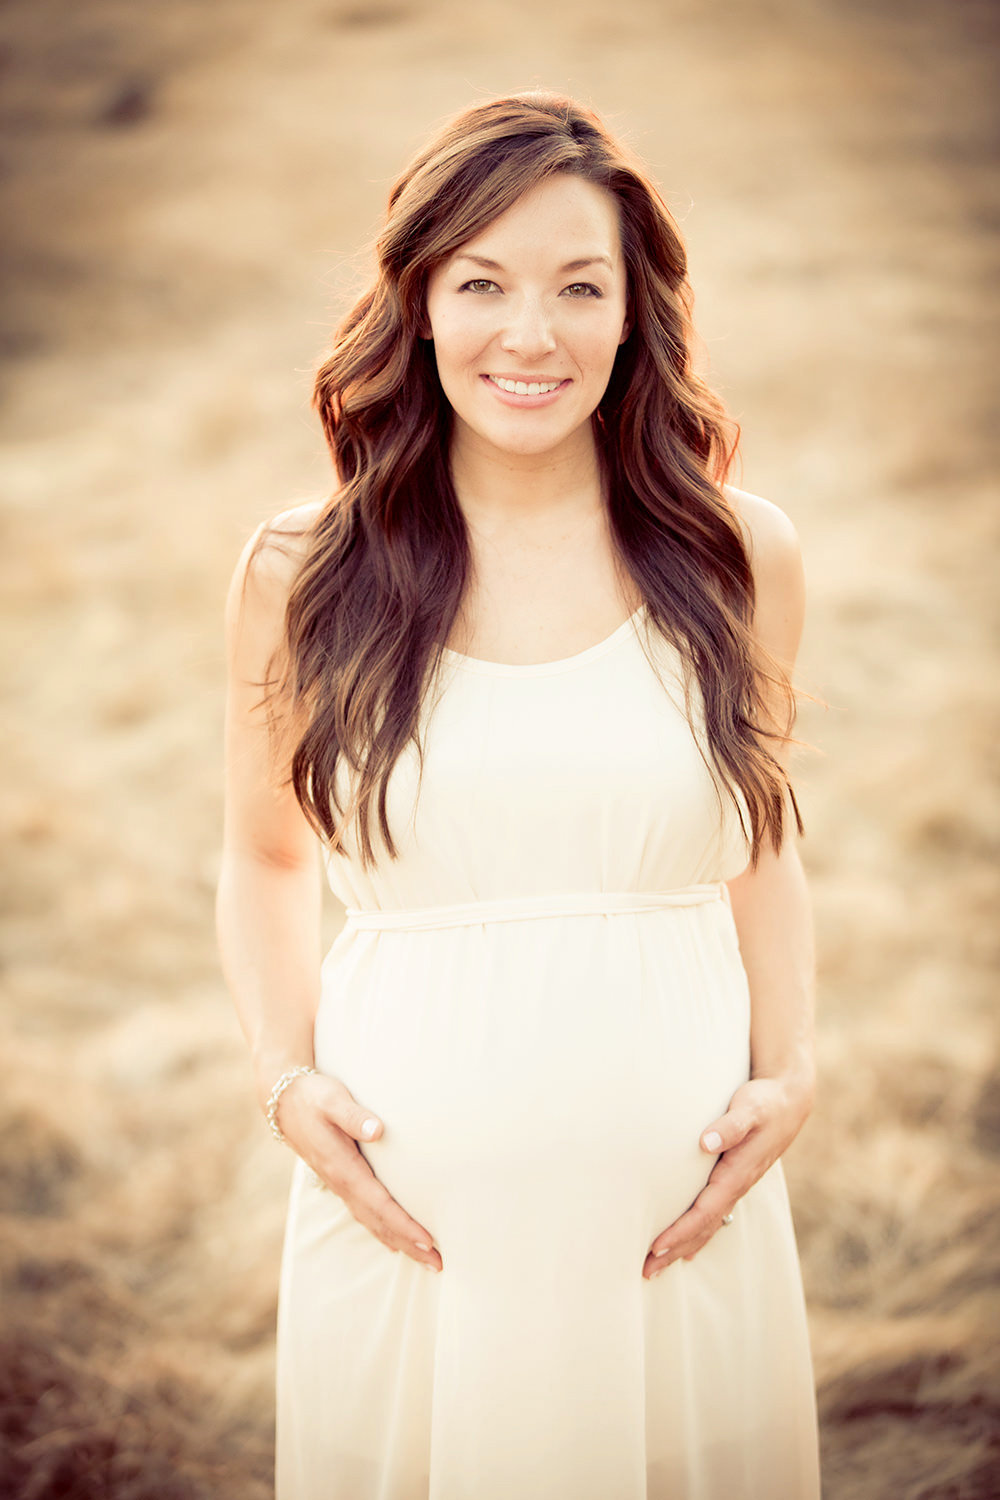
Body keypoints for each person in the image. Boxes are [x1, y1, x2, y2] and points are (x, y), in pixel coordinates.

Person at [216, 90, 822, 1500]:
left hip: (683, 1234)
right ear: (419, 303)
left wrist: (791, 1068)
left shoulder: (743, 557)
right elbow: (260, 858)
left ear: (633, 314)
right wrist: (283, 1076)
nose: (530, 334)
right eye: (482, 282)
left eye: (578, 286)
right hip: (410, 1245)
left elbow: (763, 840)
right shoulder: (302, 572)